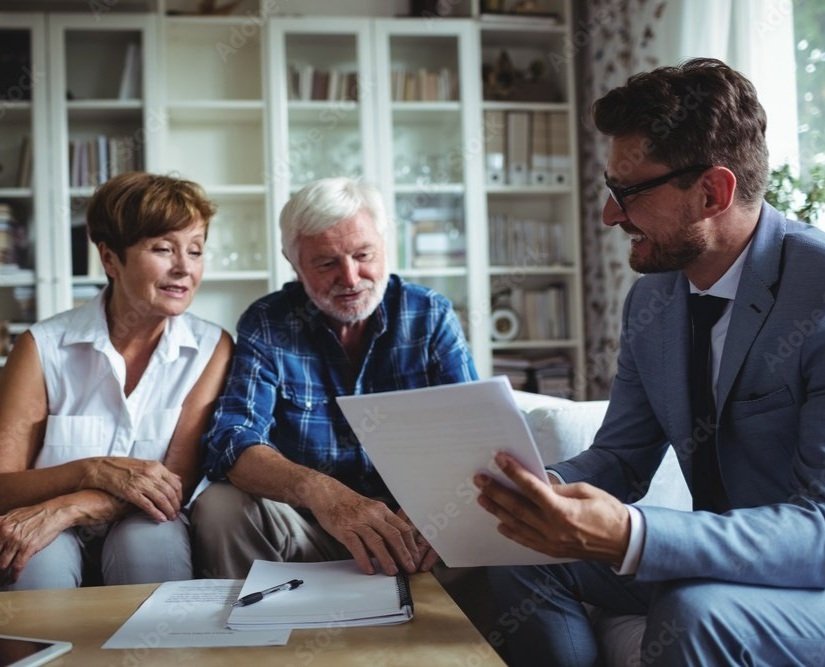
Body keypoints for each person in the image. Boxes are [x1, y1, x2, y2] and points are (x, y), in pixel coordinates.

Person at [476, 58, 825, 666]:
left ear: (713, 192)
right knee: (519, 554)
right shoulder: (655, 296)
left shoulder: (818, 289)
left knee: (696, 614)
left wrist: (635, 534)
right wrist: (536, 493)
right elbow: (621, 458)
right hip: (717, 560)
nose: (611, 216)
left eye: (628, 192)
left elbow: (819, 529)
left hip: (811, 577)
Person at [191, 177, 477, 579]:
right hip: (309, 528)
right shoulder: (269, 322)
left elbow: (473, 435)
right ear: (295, 265)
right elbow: (233, 442)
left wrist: (434, 505)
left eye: (364, 255)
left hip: (416, 526)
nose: (350, 277)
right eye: (327, 263)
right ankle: (259, 634)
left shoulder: (430, 315)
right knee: (219, 507)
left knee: (483, 517)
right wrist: (323, 494)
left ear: (385, 247)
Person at [0, 172, 233, 590]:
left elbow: (172, 487)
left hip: (144, 521)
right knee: (38, 564)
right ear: (109, 259)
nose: (184, 268)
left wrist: (68, 508)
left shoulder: (211, 348)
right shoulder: (42, 347)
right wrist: (92, 470)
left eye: (195, 251)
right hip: (41, 527)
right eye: (163, 249)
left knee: (148, 544)